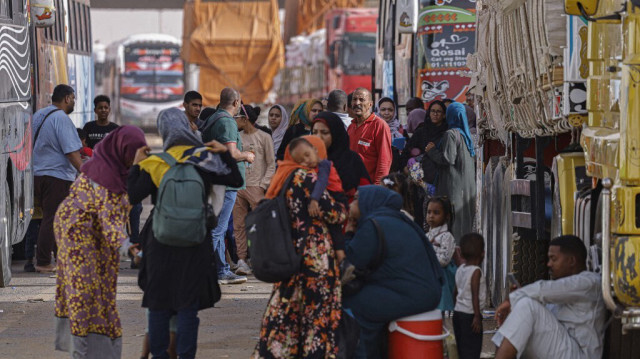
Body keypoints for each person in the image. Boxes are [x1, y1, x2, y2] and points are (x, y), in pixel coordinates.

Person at [129, 108, 243, 359]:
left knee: (159, 304)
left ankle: (159, 356)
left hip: (161, 242)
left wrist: (137, 165)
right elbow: (235, 180)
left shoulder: (156, 162)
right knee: (187, 306)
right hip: (195, 241)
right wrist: (225, 153)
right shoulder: (204, 159)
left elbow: (134, 195)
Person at [53, 126, 148, 358]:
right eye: (133, 152)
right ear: (122, 150)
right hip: (77, 239)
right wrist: (128, 248)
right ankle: (82, 353)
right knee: (83, 295)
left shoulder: (114, 169)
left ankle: (102, 353)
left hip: (96, 238)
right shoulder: (104, 175)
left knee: (103, 295)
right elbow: (110, 219)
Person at [254, 137, 348, 359]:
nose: (308, 161)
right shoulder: (307, 178)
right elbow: (335, 213)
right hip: (315, 257)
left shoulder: (284, 176)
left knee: (289, 313)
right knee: (317, 316)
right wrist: (343, 208)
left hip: (291, 254)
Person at [343, 185, 443, 359]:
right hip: (427, 292)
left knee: (353, 303)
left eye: (357, 199)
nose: (351, 205)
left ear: (369, 202)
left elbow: (350, 262)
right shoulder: (397, 219)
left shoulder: (373, 224)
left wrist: (349, 233)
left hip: (414, 295)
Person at [492, 235, 606, 359]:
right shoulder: (562, 293)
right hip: (565, 350)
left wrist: (511, 299)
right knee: (520, 309)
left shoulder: (589, 282)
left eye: (553, 259)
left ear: (571, 261)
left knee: (527, 305)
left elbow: (543, 289)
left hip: (579, 354)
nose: (548, 264)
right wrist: (511, 315)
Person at [201, 88, 254, 284]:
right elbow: (232, 153)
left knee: (219, 229)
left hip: (215, 180)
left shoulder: (214, 118)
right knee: (218, 229)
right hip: (225, 184)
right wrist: (247, 155)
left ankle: (222, 270)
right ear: (236, 102)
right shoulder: (226, 122)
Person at [32, 84, 83, 273]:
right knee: (53, 219)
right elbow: (71, 151)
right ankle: (44, 261)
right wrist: (85, 171)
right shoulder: (61, 119)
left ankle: (59, 259)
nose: (74, 103)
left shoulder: (39, 115)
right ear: (67, 98)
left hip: (37, 174)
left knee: (52, 218)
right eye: (74, 99)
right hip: (56, 177)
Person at [231, 104, 276, 275]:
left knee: (259, 225)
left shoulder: (264, 137)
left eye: (237, 118)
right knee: (239, 225)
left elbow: (271, 164)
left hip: (256, 187)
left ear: (244, 119)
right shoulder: (236, 137)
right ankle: (242, 259)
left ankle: (259, 258)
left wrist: (263, 185)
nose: (235, 121)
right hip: (238, 186)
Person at [425, 102, 476, 240]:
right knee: (463, 224)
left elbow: (448, 159)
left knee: (452, 225)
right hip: (466, 189)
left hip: (452, 189)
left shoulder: (451, 134)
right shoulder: (466, 136)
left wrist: (432, 151)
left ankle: (453, 256)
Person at [312, 111, 371, 201]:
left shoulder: (352, 160)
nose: (318, 137)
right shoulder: (308, 160)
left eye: (324, 132)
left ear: (336, 134)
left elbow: (366, 193)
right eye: (314, 132)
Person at [347, 88, 392, 185]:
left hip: (370, 188)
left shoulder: (380, 125)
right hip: (352, 187)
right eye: (354, 99)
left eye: (362, 100)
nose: (357, 103)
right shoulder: (350, 127)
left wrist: (377, 187)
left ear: (370, 104)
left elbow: (384, 161)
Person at [453, 233, 487, 359]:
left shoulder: (460, 268)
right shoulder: (476, 271)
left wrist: (455, 309)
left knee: (462, 349)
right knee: (472, 350)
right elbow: (475, 294)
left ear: (461, 254)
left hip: (458, 313)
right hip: (471, 316)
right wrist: (477, 316)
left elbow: (455, 292)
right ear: (482, 253)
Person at [425, 196, 457, 312]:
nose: (431, 216)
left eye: (436, 213)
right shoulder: (426, 236)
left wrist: (427, 258)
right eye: (429, 212)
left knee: (440, 309)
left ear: (446, 216)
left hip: (442, 278)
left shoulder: (446, 237)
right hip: (429, 277)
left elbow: (444, 260)